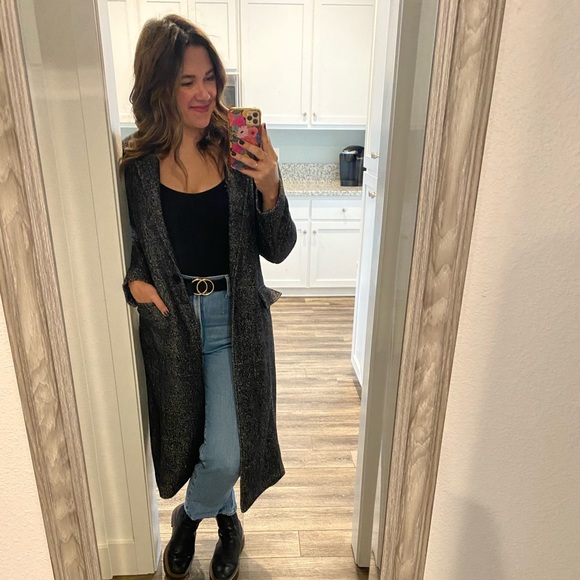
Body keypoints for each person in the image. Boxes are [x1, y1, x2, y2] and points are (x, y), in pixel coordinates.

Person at [120, 14, 297, 580]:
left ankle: (189, 518)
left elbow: (279, 248)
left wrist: (269, 185)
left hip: (233, 320)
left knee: (227, 452)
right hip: (172, 321)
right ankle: (226, 520)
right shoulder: (136, 166)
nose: (205, 93)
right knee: (196, 437)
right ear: (160, 87)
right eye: (187, 82)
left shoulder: (238, 151)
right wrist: (135, 282)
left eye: (210, 78)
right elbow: (133, 242)